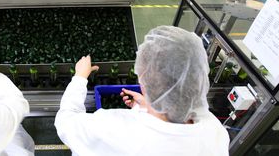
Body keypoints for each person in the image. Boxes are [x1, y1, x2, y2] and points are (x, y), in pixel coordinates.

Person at [55, 26, 229, 156]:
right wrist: (147, 108)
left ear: (144, 79)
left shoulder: (114, 129)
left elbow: (66, 122)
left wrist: (79, 77)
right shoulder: (215, 132)